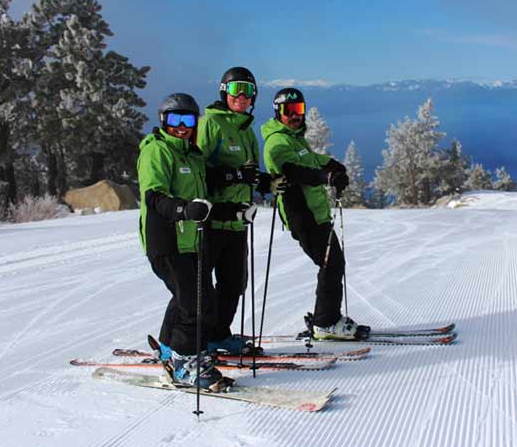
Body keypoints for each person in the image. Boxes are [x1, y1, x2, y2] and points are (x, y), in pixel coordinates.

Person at [137, 93, 253, 389]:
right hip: (166, 240)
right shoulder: (157, 151)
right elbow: (155, 197)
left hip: (190, 241)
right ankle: (186, 364)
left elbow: (205, 203)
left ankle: (169, 348)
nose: (181, 127)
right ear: (163, 121)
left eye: (187, 120)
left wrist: (235, 211)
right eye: (174, 120)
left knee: (191, 297)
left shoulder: (193, 156)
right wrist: (183, 209)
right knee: (195, 303)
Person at [261, 87, 364, 340]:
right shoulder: (277, 141)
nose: (295, 116)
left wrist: (331, 165)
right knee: (331, 264)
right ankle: (325, 323)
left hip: (317, 214)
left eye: (299, 110)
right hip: (302, 215)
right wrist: (325, 177)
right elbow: (294, 170)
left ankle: (326, 318)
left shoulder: (295, 138)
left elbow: (311, 159)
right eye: (289, 111)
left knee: (333, 263)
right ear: (278, 112)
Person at [197, 66, 274, 355]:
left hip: (239, 222)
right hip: (213, 219)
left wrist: (264, 180)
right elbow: (198, 169)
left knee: (234, 283)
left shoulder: (246, 130)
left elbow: (249, 172)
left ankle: (218, 335)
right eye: (235, 89)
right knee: (202, 286)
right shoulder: (211, 124)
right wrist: (233, 176)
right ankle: (191, 340)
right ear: (223, 92)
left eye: (249, 90)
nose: (242, 96)